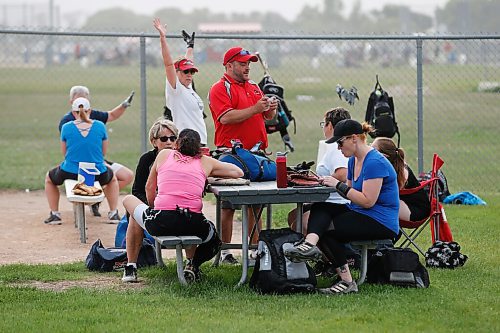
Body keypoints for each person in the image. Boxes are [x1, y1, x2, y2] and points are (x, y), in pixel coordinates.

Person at [284, 119, 399, 295]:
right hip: (360, 212)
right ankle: (310, 245)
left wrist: (338, 184)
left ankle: (347, 282)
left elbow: (368, 201)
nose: (338, 148)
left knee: (329, 231)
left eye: (340, 142)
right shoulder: (353, 161)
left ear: (354, 138)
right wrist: (324, 185)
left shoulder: (375, 162)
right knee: (322, 207)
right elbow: (350, 194)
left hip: (380, 221)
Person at [121, 129, 244, 283]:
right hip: (192, 222)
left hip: (160, 221)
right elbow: (238, 172)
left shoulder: (164, 155)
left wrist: (153, 208)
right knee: (215, 240)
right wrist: (208, 172)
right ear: (199, 147)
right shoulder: (205, 161)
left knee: (129, 201)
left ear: (177, 143)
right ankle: (193, 264)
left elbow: (149, 188)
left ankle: (131, 267)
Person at [208, 46, 278, 264]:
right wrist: (257, 109)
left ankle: (256, 251)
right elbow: (226, 118)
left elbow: (265, 117)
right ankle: (225, 251)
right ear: (229, 65)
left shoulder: (254, 86)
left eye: (249, 63)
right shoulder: (220, 88)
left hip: (256, 155)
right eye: (242, 63)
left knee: (257, 203)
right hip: (232, 156)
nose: (247, 67)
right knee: (228, 205)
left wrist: (270, 109)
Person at [59, 85, 134, 217]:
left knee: (127, 176)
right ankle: (101, 203)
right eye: (78, 100)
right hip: (80, 163)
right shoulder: (67, 122)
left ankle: (96, 198)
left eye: (84, 99)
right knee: (110, 177)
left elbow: (111, 115)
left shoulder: (94, 116)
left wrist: (123, 106)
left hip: (98, 160)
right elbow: (71, 151)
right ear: (72, 103)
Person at [44, 97, 120, 224]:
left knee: (49, 179)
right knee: (112, 178)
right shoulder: (100, 126)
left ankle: (55, 214)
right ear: (89, 110)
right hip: (96, 173)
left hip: (70, 171)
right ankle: (113, 213)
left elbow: (65, 153)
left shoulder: (67, 127)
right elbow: (103, 153)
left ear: (73, 112)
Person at [288, 107, 351, 234]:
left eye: (324, 124)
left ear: (330, 126)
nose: (323, 128)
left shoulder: (336, 146)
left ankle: (314, 251)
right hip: (328, 199)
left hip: (336, 201)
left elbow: (343, 173)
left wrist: (321, 182)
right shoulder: (336, 145)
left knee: (300, 223)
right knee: (293, 215)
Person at [153, 18, 207, 146]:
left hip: (200, 143)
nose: (189, 75)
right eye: (185, 72)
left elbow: (188, 62)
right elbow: (168, 64)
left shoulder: (189, 89)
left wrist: (190, 46)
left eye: (191, 72)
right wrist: (163, 38)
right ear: (176, 73)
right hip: (186, 144)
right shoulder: (176, 90)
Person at [371, 137, 431, 222]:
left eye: (373, 150)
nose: (369, 151)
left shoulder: (401, 170)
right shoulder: (387, 166)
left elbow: (389, 193)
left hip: (415, 209)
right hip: (401, 203)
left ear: (384, 156)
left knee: (375, 205)